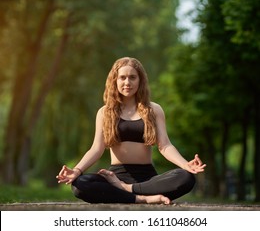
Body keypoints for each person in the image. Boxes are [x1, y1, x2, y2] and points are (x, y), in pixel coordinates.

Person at [56, 57, 206, 204]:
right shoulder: (104, 112)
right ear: (115, 81)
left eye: (132, 77)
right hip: (114, 176)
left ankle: (127, 189)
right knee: (80, 184)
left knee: (186, 177)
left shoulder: (154, 110)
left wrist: (186, 164)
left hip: (147, 179)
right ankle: (141, 198)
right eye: (122, 78)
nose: (127, 82)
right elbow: (96, 148)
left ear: (140, 81)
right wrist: (77, 170)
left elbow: (165, 146)